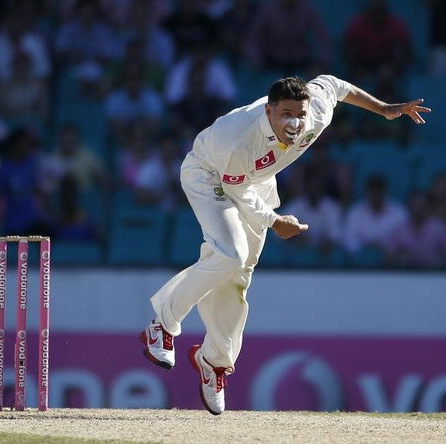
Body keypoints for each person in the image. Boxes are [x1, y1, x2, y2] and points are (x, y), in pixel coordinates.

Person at [139, 75, 430, 415]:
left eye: (299, 114)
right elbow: (238, 192)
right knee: (230, 254)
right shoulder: (239, 139)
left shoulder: (316, 112)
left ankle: (213, 363)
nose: (295, 122)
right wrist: (276, 221)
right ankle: (162, 325)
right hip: (210, 175)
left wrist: (383, 109)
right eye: (286, 113)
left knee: (238, 276)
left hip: (257, 180)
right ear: (269, 111)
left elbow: (335, 86)